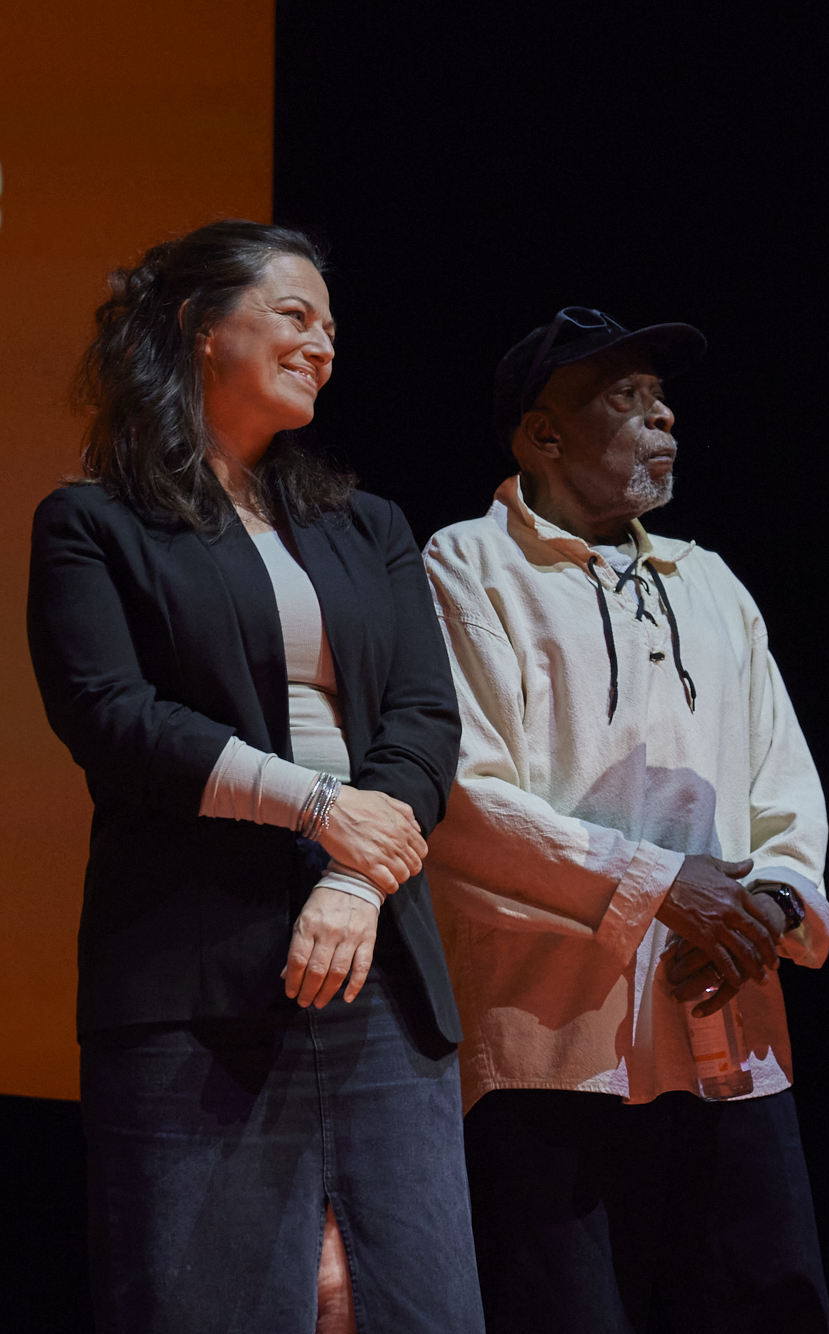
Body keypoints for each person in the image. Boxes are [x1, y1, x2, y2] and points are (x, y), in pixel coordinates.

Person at [25, 221, 479, 1332]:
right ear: (197, 326)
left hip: (374, 958)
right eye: (294, 315)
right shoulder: (93, 522)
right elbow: (115, 718)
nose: (323, 345)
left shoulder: (367, 525)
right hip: (192, 983)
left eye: (331, 328)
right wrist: (317, 806)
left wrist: (353, 878)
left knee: (396, 1303)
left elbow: (424, 717)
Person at [423, 307, 829, 1334]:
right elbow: (464, 800)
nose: (664, 418)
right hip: (555, 1046)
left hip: (725, 1026)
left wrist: (775, 900)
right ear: (542, 435)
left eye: (661, 398)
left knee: (766, 1306)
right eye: (626, 397)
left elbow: (785, 779)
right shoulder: (468, 566)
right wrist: (659, 886)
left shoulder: (709, 580)